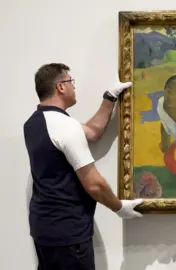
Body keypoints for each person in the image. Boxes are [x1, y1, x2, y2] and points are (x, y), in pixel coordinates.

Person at [23, 63, 144, 270]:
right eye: (71, 81)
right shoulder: (64, 126)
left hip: (44, 227)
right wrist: (119, 207)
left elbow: (91, 132)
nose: (74, 87)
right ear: (61, 87)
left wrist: (110, 97)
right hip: (67, 233)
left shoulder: (34, 123)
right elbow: (95, 185)